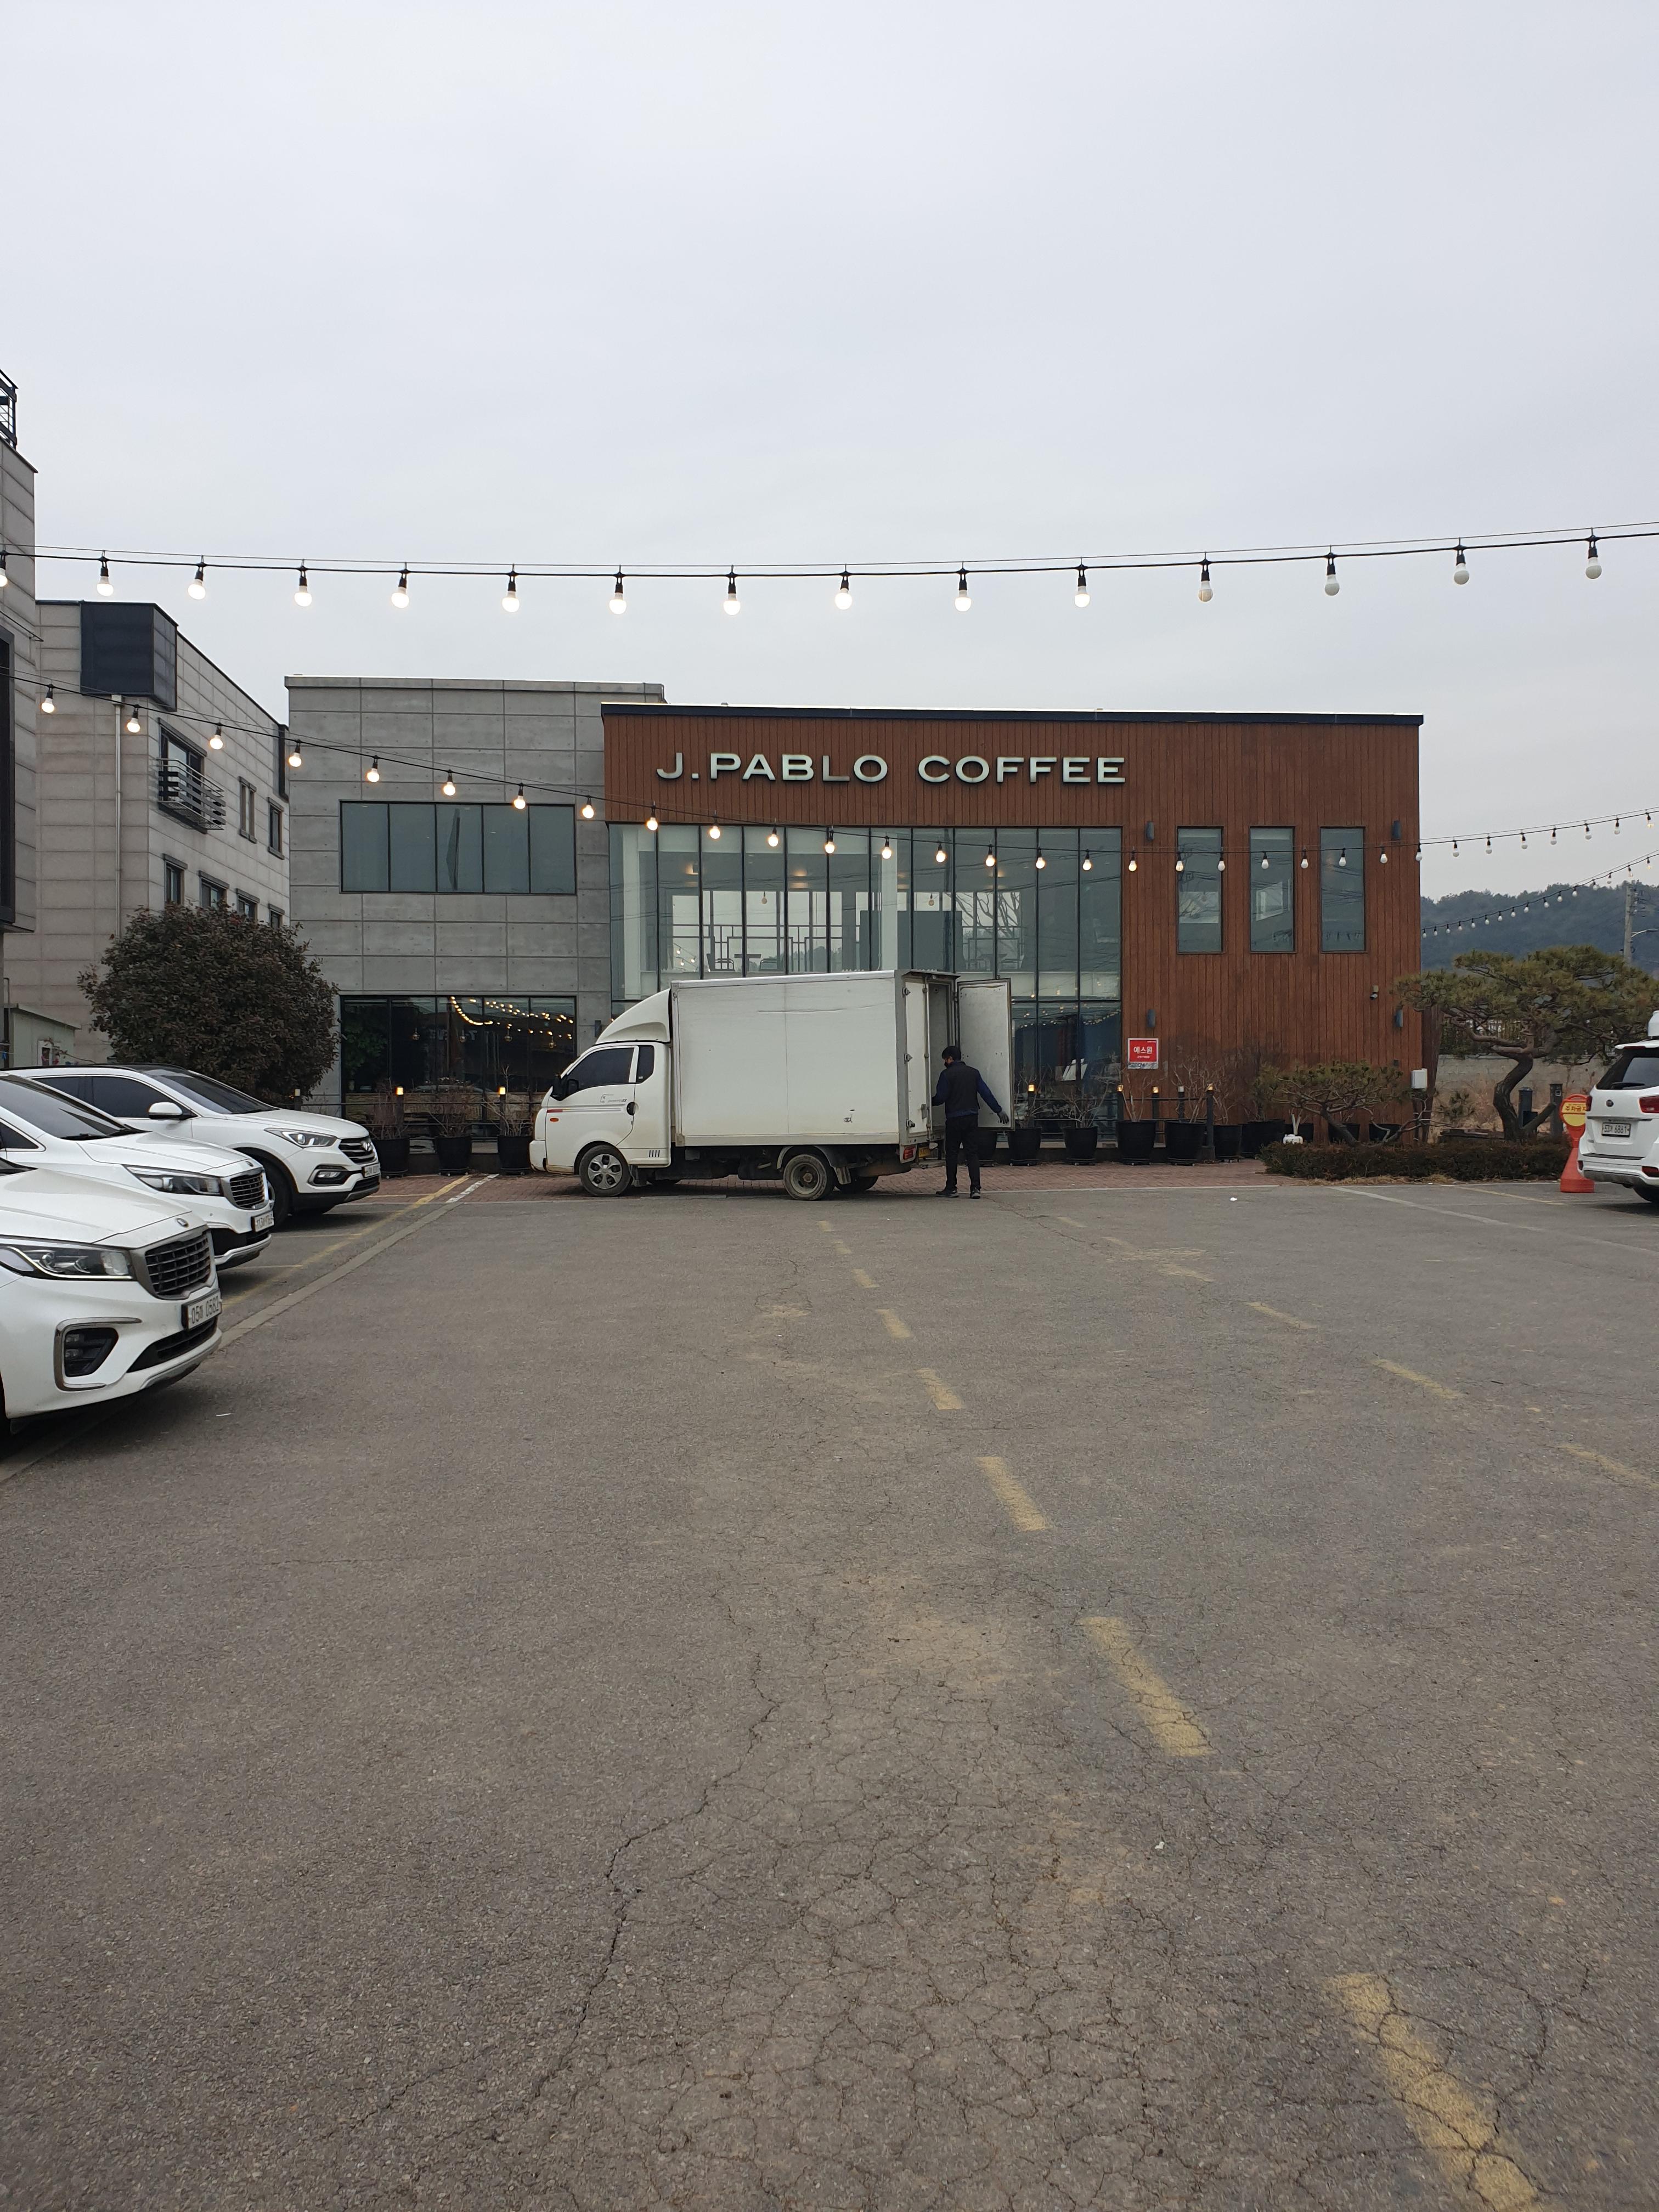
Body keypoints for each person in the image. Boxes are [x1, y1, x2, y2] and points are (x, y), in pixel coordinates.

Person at [934, 1044, 1007, 1198]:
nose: (945, 1062)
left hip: (954, 1119)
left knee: (952, 1154)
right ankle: (975, 1188)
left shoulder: (946, 1075)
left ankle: (951, 1188)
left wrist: (927, 1102)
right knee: (972, 1153)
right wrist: (998, 1110)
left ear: (950, 1059)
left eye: (945, 1060)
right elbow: (986, 1093)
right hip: (971, 1118)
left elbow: (941, 1098)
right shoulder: (974, 1073)